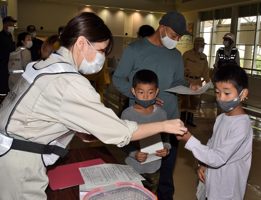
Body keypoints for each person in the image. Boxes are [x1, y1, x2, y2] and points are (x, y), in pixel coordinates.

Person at [0, 12, 187, 200]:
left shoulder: (46, 65)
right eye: (101, 50)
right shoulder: (69, 81)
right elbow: (121, 132)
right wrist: (165, 125)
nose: (103, 58)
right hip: (19, 164)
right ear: (81, 43)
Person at [113, 11, 191, 200]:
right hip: (142, 121)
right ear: (162, 27)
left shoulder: (176, 55)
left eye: (179, 37)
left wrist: (191, 86)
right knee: (142, 173)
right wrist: (144, 99)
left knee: (166, 175)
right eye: (174, 35)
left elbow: (180, 81)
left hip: (170, 121)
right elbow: (118, 78)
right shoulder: (135, 50)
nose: (176, 40)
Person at [177, 64, 253, 200]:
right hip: (212, 182)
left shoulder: (241, 125)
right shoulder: (221, 118)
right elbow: (212, 145)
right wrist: (204, 164)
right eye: (217, 92)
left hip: (226, 191)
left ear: (243, 94)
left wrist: (189, 140)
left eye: (227, 93)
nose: (221, 98)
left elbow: (218, 158)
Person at [121, 69, 170, 193]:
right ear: (133, 91)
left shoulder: (162, 114)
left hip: (154, 168)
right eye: (141, 92)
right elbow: (121, 142)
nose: (146, 96)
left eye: (150, 92)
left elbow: (166, 138)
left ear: (156, 92)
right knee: (131, 195)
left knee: (150, 195)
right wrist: (134, 153)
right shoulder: (127, 114)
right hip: (132, 167)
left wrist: (166, 148)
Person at [181, 37, 210, 127]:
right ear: (195, 44)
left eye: (203, 45)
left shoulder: (204, 57)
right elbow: (180, 66)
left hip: (197, 81)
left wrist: (208, 83)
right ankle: (182, 119)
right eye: (200, 45)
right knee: (184, 101)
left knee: (194, 102)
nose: (201, 46)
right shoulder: (187, 54)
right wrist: (184, 71)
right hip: (187, 80)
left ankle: (190, 119)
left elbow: (206, 71)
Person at [0, 16, 17, 98]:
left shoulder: (10, 37)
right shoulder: (0, 36)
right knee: (2, 90)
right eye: (10, 24)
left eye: (13, 25)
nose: (12, 26)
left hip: (9, 67)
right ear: (5, 24)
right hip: (2, 67)